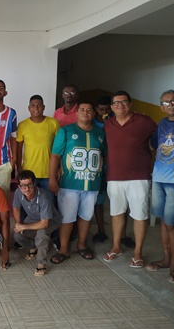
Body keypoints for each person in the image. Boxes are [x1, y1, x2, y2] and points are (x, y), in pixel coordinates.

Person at [103, 91, 156, 268]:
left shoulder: (145, 122)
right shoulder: (108, 124)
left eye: (124, 102)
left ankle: (137, 252)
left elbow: (159, 142)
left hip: (139, 177)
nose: (120, 105)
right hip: (114, 177)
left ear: (130, 104)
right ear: (112, 107)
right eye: (116, 103)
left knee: (140, 214)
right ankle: (116, 246)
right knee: (116, 212)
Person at [49, 102, 106, 264]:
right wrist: (52, 178)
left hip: (92, 184)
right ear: (76, 114)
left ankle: (81, 245)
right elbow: (55, 155)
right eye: (82, 110)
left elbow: (103, 156)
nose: (85, 113)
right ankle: (63, 249)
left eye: (89, 110)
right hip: (70, 183)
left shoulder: (100, 133)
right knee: (67, 217)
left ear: (93, 113)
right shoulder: (66, 131)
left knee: (86, 216)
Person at [145, 90, 174, 282]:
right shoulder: (162, 123)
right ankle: (166, 259)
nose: (169, 104)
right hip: (159, 178)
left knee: (173, 223)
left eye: (173, 101)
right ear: (161, 106)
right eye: (165, 102)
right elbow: (153, 145)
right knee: (163, 220)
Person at [12, 170, 61, 276]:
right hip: (34, 218)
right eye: (23, 186)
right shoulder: (18, 193)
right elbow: (16, 208)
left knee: (41, 235)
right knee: (17, 235)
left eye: (29, 185)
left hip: (51, 220)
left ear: (34, 184)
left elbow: (44, 224)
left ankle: (41, 263)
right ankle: (34, 247)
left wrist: (24, 226)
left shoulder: (43, 196)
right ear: (19, 186)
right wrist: (18, 224)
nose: (27, 189)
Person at [16, 94, 60, 192]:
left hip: (49, 173)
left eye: (39, 105)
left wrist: (59, 168)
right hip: (29, 173)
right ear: (29, 108)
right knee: (30, 200)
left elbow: (59, 148)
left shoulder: (54, 123)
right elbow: (19, 148)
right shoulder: (22, 125)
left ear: (43, 107)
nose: (36, 108)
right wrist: (19, 167)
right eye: (33, 105)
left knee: (48, 200)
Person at [91, 96, 111, 243]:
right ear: (96, 109)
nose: (103, 112)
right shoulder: (91, 123)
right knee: (95, 200)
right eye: (101, 109)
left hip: (110, 166)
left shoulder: (113, 122)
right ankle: (100, 230)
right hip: (94, 167)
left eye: (106, 109)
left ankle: (105, 230)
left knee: (103, 199)